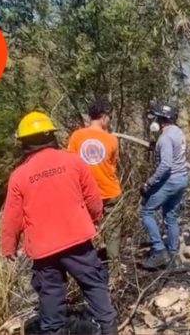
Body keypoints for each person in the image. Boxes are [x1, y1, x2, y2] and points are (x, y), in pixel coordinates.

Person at [0, 111, 118, 335]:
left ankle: (53, 330)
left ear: (24, 143)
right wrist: (93, 219)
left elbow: (11, 218)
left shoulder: (20, 175)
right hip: (78, 242)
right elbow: (93, 198)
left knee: (51, 296)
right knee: (93, 285)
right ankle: (108, 327)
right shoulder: (73, 161)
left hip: (44, 251)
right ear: (51, 136)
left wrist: (8, 247)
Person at [67, 99, 123, 275]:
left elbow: (71, 164)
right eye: (110, 117)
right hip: (110, 191)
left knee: (85, 231)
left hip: (84, 194)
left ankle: (88, 269)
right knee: (113, 233)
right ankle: (114, 272)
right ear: (104, 117)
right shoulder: (111, 139)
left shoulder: (76, 136)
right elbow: (113, 165)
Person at [139, 103, 189, 270]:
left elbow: (166, 165)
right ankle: (173, 254)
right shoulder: (178, 132)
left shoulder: (165, 138)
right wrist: (157, 148)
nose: (153, 121)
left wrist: (149, 183)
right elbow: (174, 153)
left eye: (155, 118)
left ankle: (160, 251)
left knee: (146, 211)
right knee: (170, 216)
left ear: (161, 120)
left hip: (171, 180)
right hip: (181, 179)